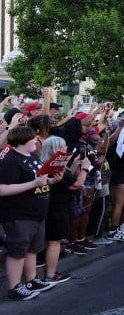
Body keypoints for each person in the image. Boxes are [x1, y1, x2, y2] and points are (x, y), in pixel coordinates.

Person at [0, 126, 63, 300]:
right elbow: (3, 189)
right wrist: (33, 184)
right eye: (33, 138)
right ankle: (14, 287)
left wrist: (51, 180)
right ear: (23, 141)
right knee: (17, 250)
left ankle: (31, 280)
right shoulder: (10, 161)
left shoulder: (33, 156)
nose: (36, 140)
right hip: (19, 214)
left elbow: (40, 179)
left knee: (32, 250)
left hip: (37, 211)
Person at [41, 135, 90, 283]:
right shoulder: (55, 167)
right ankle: (51, 274)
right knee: (54, 242)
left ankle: (48, 272)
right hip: (57, 208)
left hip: (49, 207)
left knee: (50, 241)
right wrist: (86, 167)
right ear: (55, 149)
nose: (66, 149)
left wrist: (74, 164)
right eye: (62, 146)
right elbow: (75, 184)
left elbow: (67, 179)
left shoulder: (46, 164)